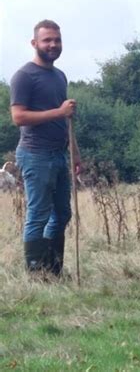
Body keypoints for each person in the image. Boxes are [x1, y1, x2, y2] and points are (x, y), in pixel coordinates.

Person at [10, 19, 80, 278]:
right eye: (47, 40)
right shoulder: (24, 76)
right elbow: (18, 117)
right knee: (38, 215)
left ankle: (53, 270)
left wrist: (74, 151)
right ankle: (35, 274)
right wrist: (58, 111)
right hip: (35, 155)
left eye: (57, 40)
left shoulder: (59, 76)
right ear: (34, 43)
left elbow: (65, 119)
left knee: (62, 214)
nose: (53, 44)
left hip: (60, 154)